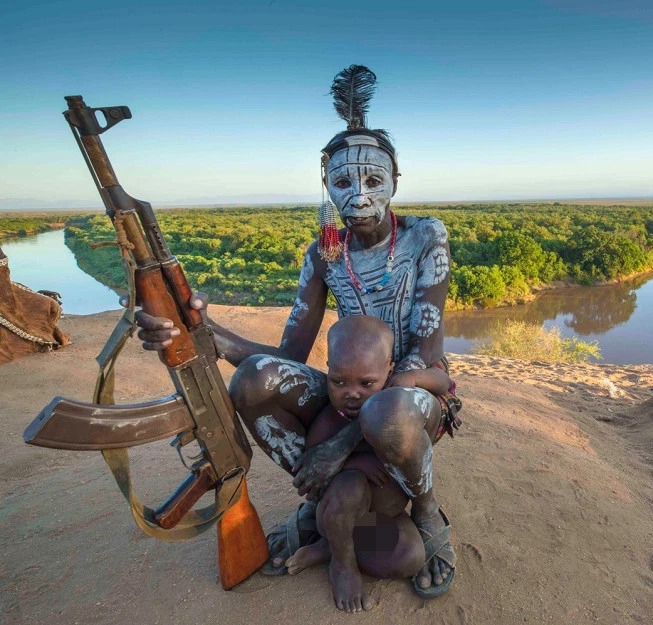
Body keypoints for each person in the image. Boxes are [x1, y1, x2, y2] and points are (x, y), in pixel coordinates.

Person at [134, 65, 461, 605]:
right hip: (350, 386)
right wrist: (199, 328)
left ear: (395, 182)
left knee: (386, 411)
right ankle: (322, 498)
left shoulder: (426, 237)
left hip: (415, 394)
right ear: (327, 186)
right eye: (342, 181)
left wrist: (337, 444)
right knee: (255, 381)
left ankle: (424, 509)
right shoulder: (325, 252)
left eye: (374, 180)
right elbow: (287, 356)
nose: (358, 194)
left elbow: (431, 364)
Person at [279, 314, 451, 612]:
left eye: (367, 382)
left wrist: (410, 379)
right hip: (339, 514)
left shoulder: (394, 402)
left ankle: (328, 548)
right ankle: (342, 566)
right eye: (339, 382)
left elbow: (444, 382)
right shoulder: (330, 420)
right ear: (328, 371)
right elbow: (317, 472)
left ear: (389, 370)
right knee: (350, 487)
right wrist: (355, 466)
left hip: (377, 521)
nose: (352, 394)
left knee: (410, 558)